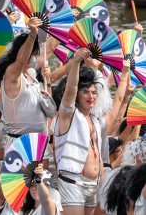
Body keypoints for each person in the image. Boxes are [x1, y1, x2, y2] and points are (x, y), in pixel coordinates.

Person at [53, 48, 104, 215]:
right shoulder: (68, 114)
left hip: (93, 184)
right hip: (73, 181)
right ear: (77, 96)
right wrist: (75, 63)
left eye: (93, 92)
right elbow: (70, 90)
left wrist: (94, 68)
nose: (90, 96)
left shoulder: (95, 118)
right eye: (85, 92)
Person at [0, 17, 50, 151]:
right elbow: (21, 61)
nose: (33, 56)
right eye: (31, 52)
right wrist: (32, 35)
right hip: (19, 143)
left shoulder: (32, 75)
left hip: (40, 141)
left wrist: (50, 81)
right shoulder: (12, 73)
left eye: (34, 53)